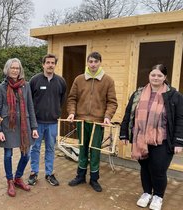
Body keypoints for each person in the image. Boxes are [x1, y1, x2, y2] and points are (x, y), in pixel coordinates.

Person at [119, 64, 183, 210]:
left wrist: (179, 141)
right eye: (153, 75)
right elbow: (129, 114)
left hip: (163, 140)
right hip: (140, 138)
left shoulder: (174, 96)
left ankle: (158, 196)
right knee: (145, 167)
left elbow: (180, 119)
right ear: (149, 76)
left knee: (158, 169)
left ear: (165, 78)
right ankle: (147, 193)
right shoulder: (138, 93)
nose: (156, 78)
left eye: (159, 75)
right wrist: (124, 133)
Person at [66, 52, 118, 192]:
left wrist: (107, 116)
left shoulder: (108, 80)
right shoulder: (79, 79)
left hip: (98, 123)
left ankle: (94, 179)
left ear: (100, 62)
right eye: (91, 61)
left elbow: (112, 102)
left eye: (96, 61)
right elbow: (72, 99)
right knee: (82, 149)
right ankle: (80, 176)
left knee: (94, 152)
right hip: (81, 121)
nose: (93, 64)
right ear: (87, 63)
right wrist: (72, 113)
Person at [0, 58, 39, 197]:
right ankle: (10, 181)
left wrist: (34, 127)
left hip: (24, 127)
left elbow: (30, 107)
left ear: (20, 70)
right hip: (8, 126)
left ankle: (18, 178)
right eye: (12, 68)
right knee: (8, 155)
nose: (15, 70)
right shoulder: (1, 87)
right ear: (7, 69)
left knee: (26, 155)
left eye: (17, 68)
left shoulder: (26, 86)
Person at [28, 53, 67, 186]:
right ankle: (33, 173)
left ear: (55, 65)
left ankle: (49, 174)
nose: (50, 65)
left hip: (52, 123)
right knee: (35, 148)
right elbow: (29, 101)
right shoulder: (34, 80)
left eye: (52, 63)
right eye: (48, 62)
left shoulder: (61, 81)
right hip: (37, 123)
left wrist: (55, 112)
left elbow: (62, 100)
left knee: (50, 148)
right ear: (43, 64)